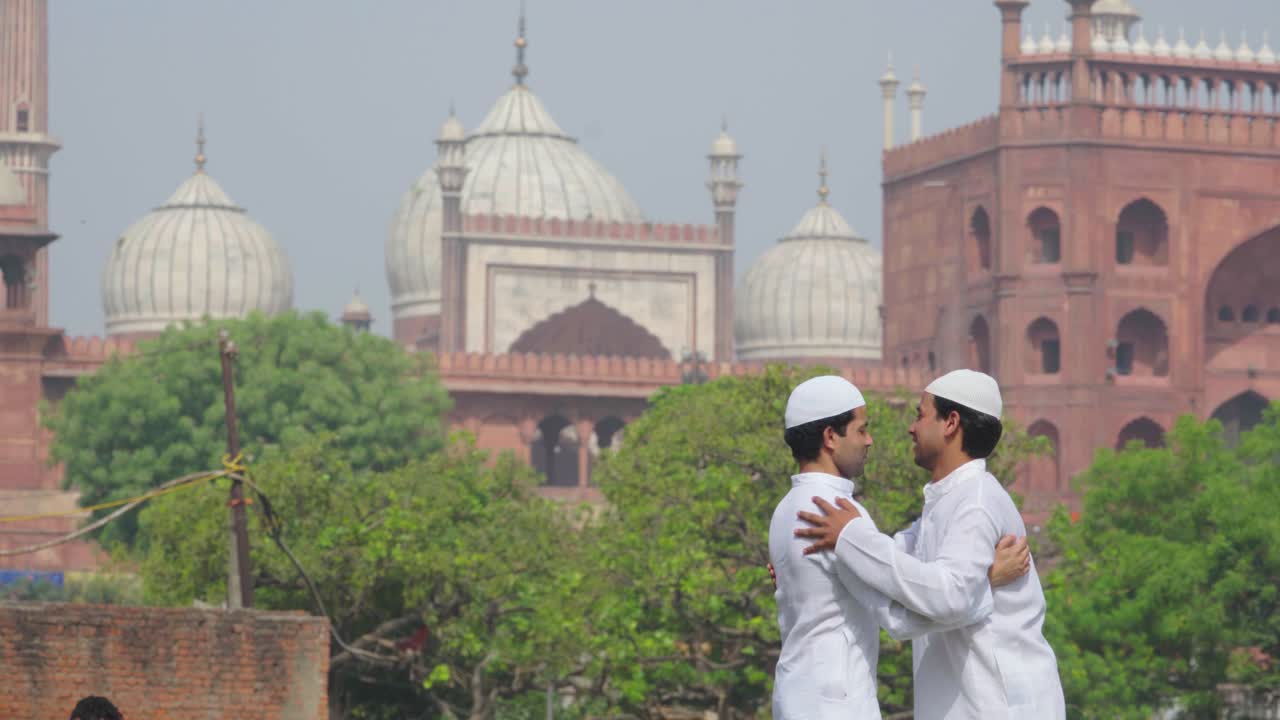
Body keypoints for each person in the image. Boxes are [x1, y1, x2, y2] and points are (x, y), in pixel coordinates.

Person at [795, 369, 1065, 719]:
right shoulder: (947, 501)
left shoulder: (976, 503)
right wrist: (804, 568)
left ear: (951, 423)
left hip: (999, 704)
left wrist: (851, 536)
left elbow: (946, 597)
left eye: (920, 415)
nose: (911, 428)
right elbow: (897, 578)